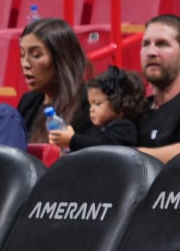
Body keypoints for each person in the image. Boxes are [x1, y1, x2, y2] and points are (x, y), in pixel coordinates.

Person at [16, 17, 92, 144]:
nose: (25, 64)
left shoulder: (87, 102)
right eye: (22, 54)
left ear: (62, 58)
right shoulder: (28, 102)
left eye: (36, 55)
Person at [51, 66, 145, 150]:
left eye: (98, 104)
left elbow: (103, 147)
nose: (91, 109)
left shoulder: (125, 128)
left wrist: (72, 140)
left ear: (121, 103)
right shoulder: (95, 129)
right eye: (90, 104)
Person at [135, 15, 180, 161]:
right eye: (146, 44)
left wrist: (130, 157)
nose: (151, 52)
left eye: (162, 44)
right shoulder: (136, 109)